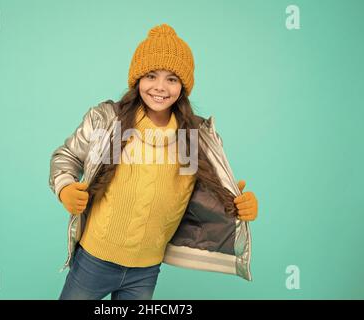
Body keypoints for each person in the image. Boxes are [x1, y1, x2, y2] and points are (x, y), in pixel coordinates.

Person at [49, 23, 259, 300]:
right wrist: (65, 188)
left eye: (172, 79)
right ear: (137, 80)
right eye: (151, 76)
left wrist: (238, 206)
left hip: (146, 269)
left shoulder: (191, 139)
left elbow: (197, 196)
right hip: (94, 260)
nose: (160, 87)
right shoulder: (110, 124)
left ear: (183, 86)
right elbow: (66, 157)